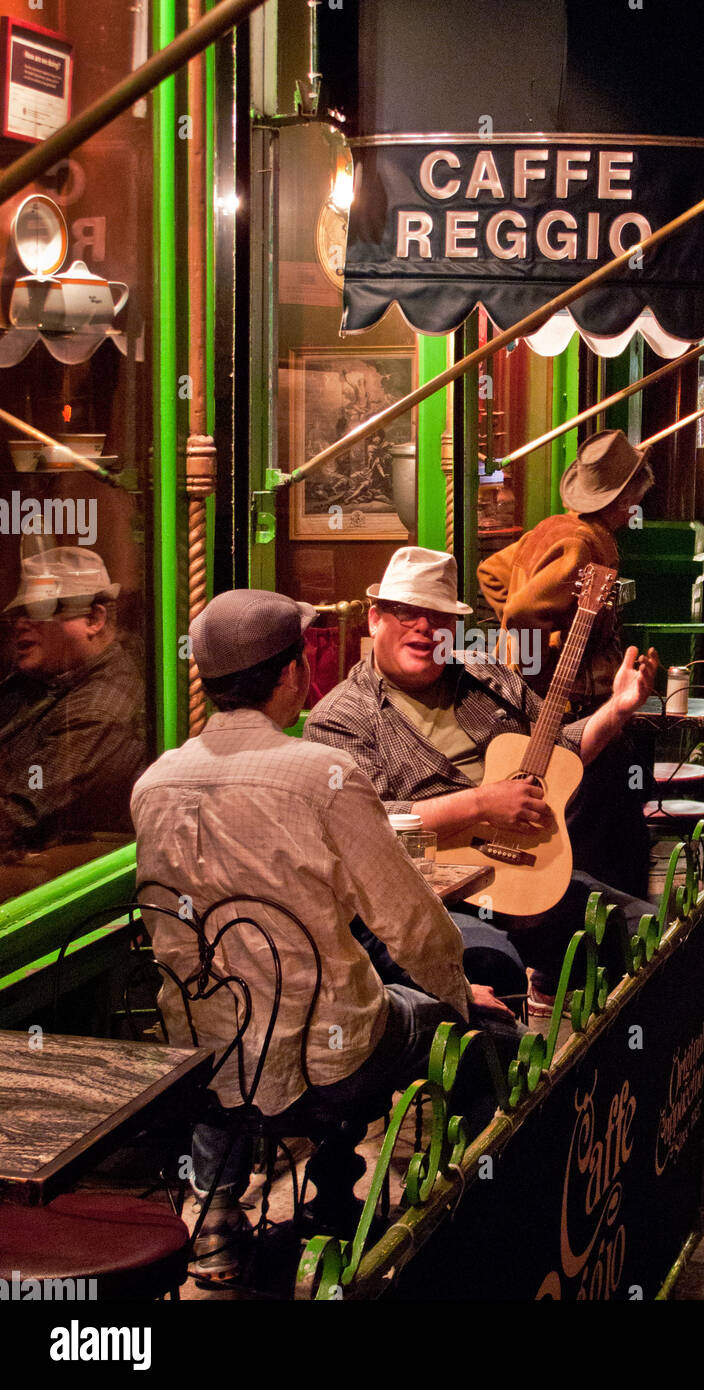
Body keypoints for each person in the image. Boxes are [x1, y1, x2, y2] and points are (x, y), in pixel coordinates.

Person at [131, 588, 521, 1278]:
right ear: (290, 675)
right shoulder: (322, 775)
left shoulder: (154, 781)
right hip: (328, 1056)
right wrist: (459, 993)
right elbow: (410, 924)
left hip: (199, 1055)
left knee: (228, 1013)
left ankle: (216, 1217)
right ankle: (458, 1241)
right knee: (483, 1036)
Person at [304, 547, 659, 1017]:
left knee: (650, 934)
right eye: (409, 612)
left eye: (440, 617)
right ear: (374, 620)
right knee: (491, 965)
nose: (425, 628)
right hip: (429, 897)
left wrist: (615, 711)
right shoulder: (340, 719)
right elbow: (368, 824)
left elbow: (555, 754)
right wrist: (481, 804)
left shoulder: (484, 675)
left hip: (528, 873)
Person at [477, 428, 653, 707]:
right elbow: (521, 612)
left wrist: (520, 641)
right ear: (623, 502)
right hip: (565, 699)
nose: (636, 510)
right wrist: (540, 667)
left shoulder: (553, 528)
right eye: (636, 502)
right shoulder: (580, 546)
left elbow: (491, 573)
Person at [0, 546, 144, 855]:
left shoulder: (100, 707)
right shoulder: (39, 681)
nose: (22, 624)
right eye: (19, 614)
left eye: (39, 610)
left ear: (94, 618)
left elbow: (18, 817)